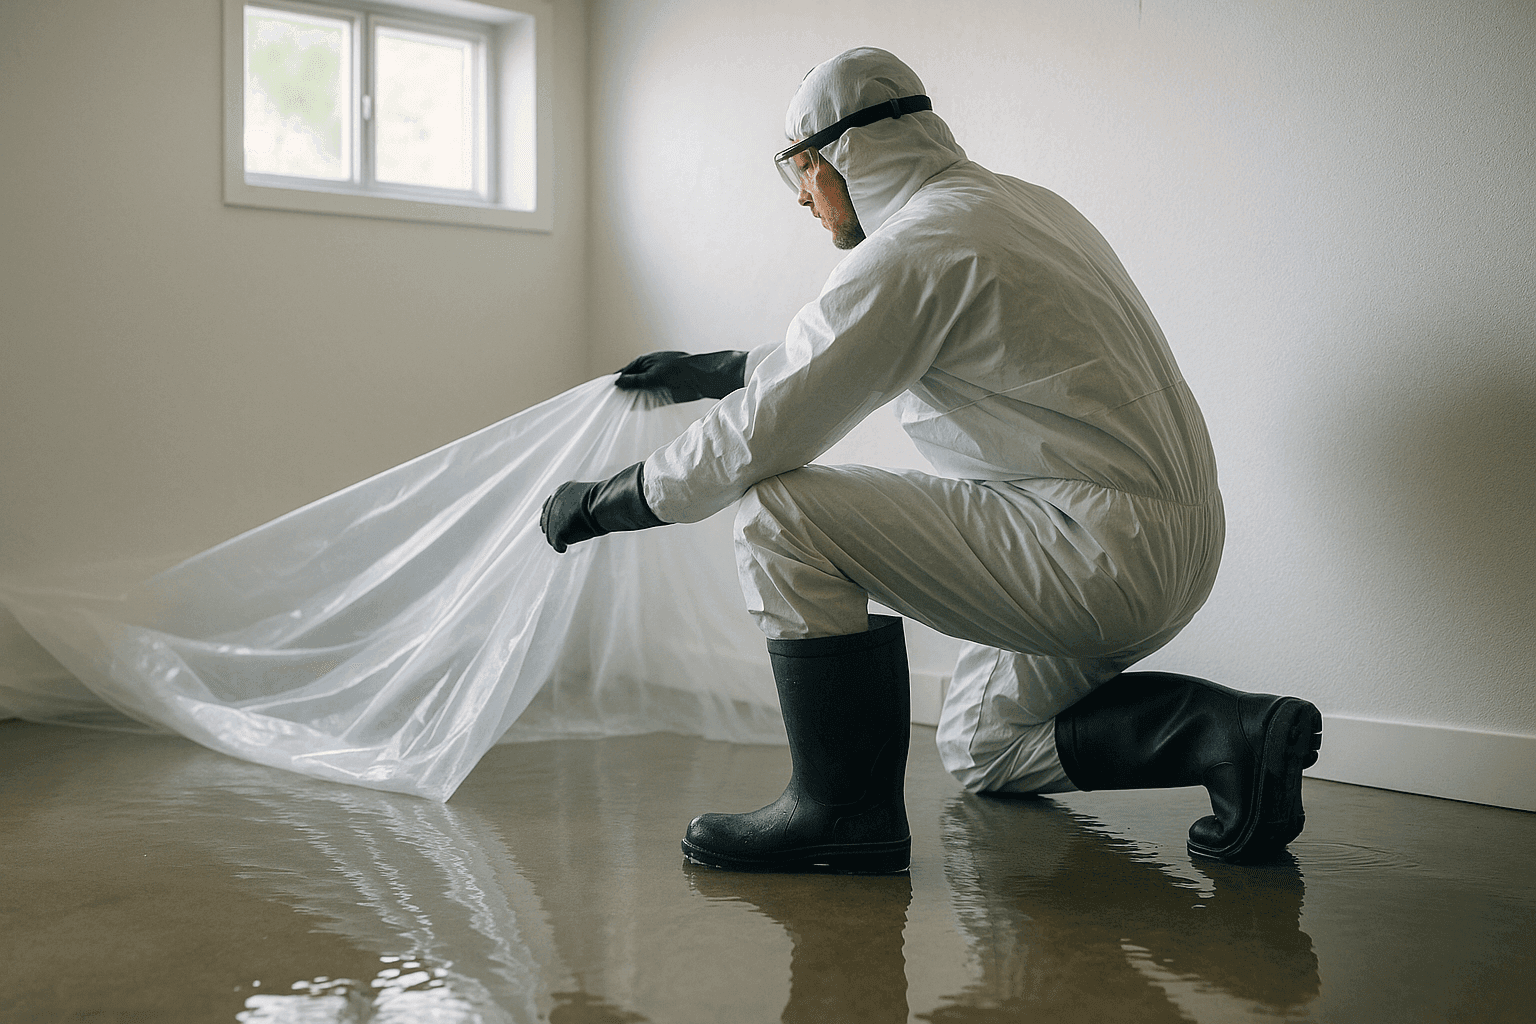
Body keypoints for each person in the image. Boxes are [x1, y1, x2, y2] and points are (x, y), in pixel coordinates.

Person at [540, 48, 1321, 874]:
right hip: (1167, 542)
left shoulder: (918, 245)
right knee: (985, 742)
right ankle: (1226, 736)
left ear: (846, 152)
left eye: (800, 170)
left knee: (779, 512)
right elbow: (848, 348)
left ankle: (841, 813)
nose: (802, 197)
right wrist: (718, 367)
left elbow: (768, 426)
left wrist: (613, 499)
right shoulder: (1015, 207)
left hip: (1090, 552)